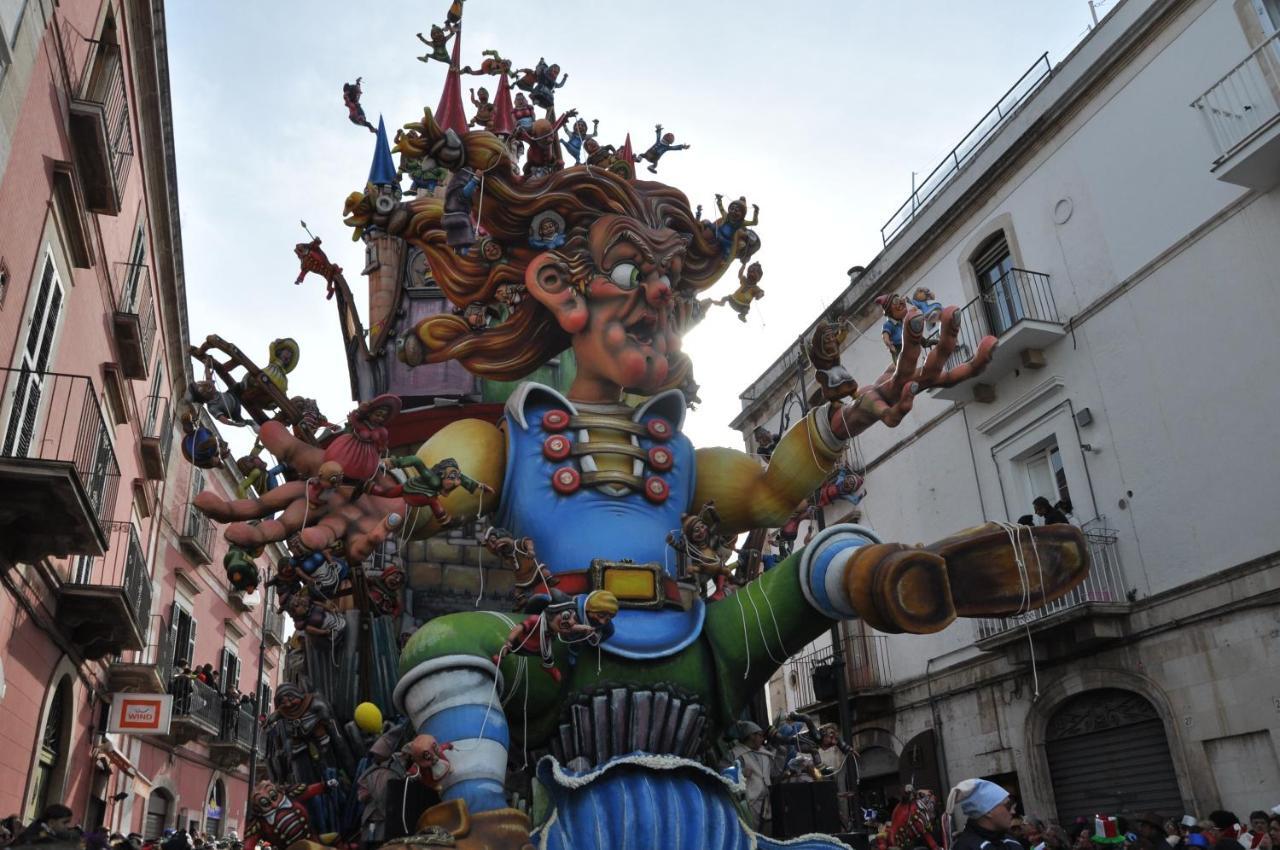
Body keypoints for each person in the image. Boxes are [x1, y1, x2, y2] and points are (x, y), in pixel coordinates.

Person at [729, 721, 777, 834]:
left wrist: (782, 754)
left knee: (767, 836)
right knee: (751, 836)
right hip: (749, 803)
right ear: (751, 736)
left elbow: (774, 773)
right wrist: (739, 772)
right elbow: (724, 774)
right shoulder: (735, 754)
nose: (763, 738)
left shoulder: (765, 753)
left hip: (767, 802)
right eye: (760, 735)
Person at [946, 778, 1021, 850]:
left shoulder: (1011, 842)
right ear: (988, 811)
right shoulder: (965, 847)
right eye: (1008, 805)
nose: (1013, 812)